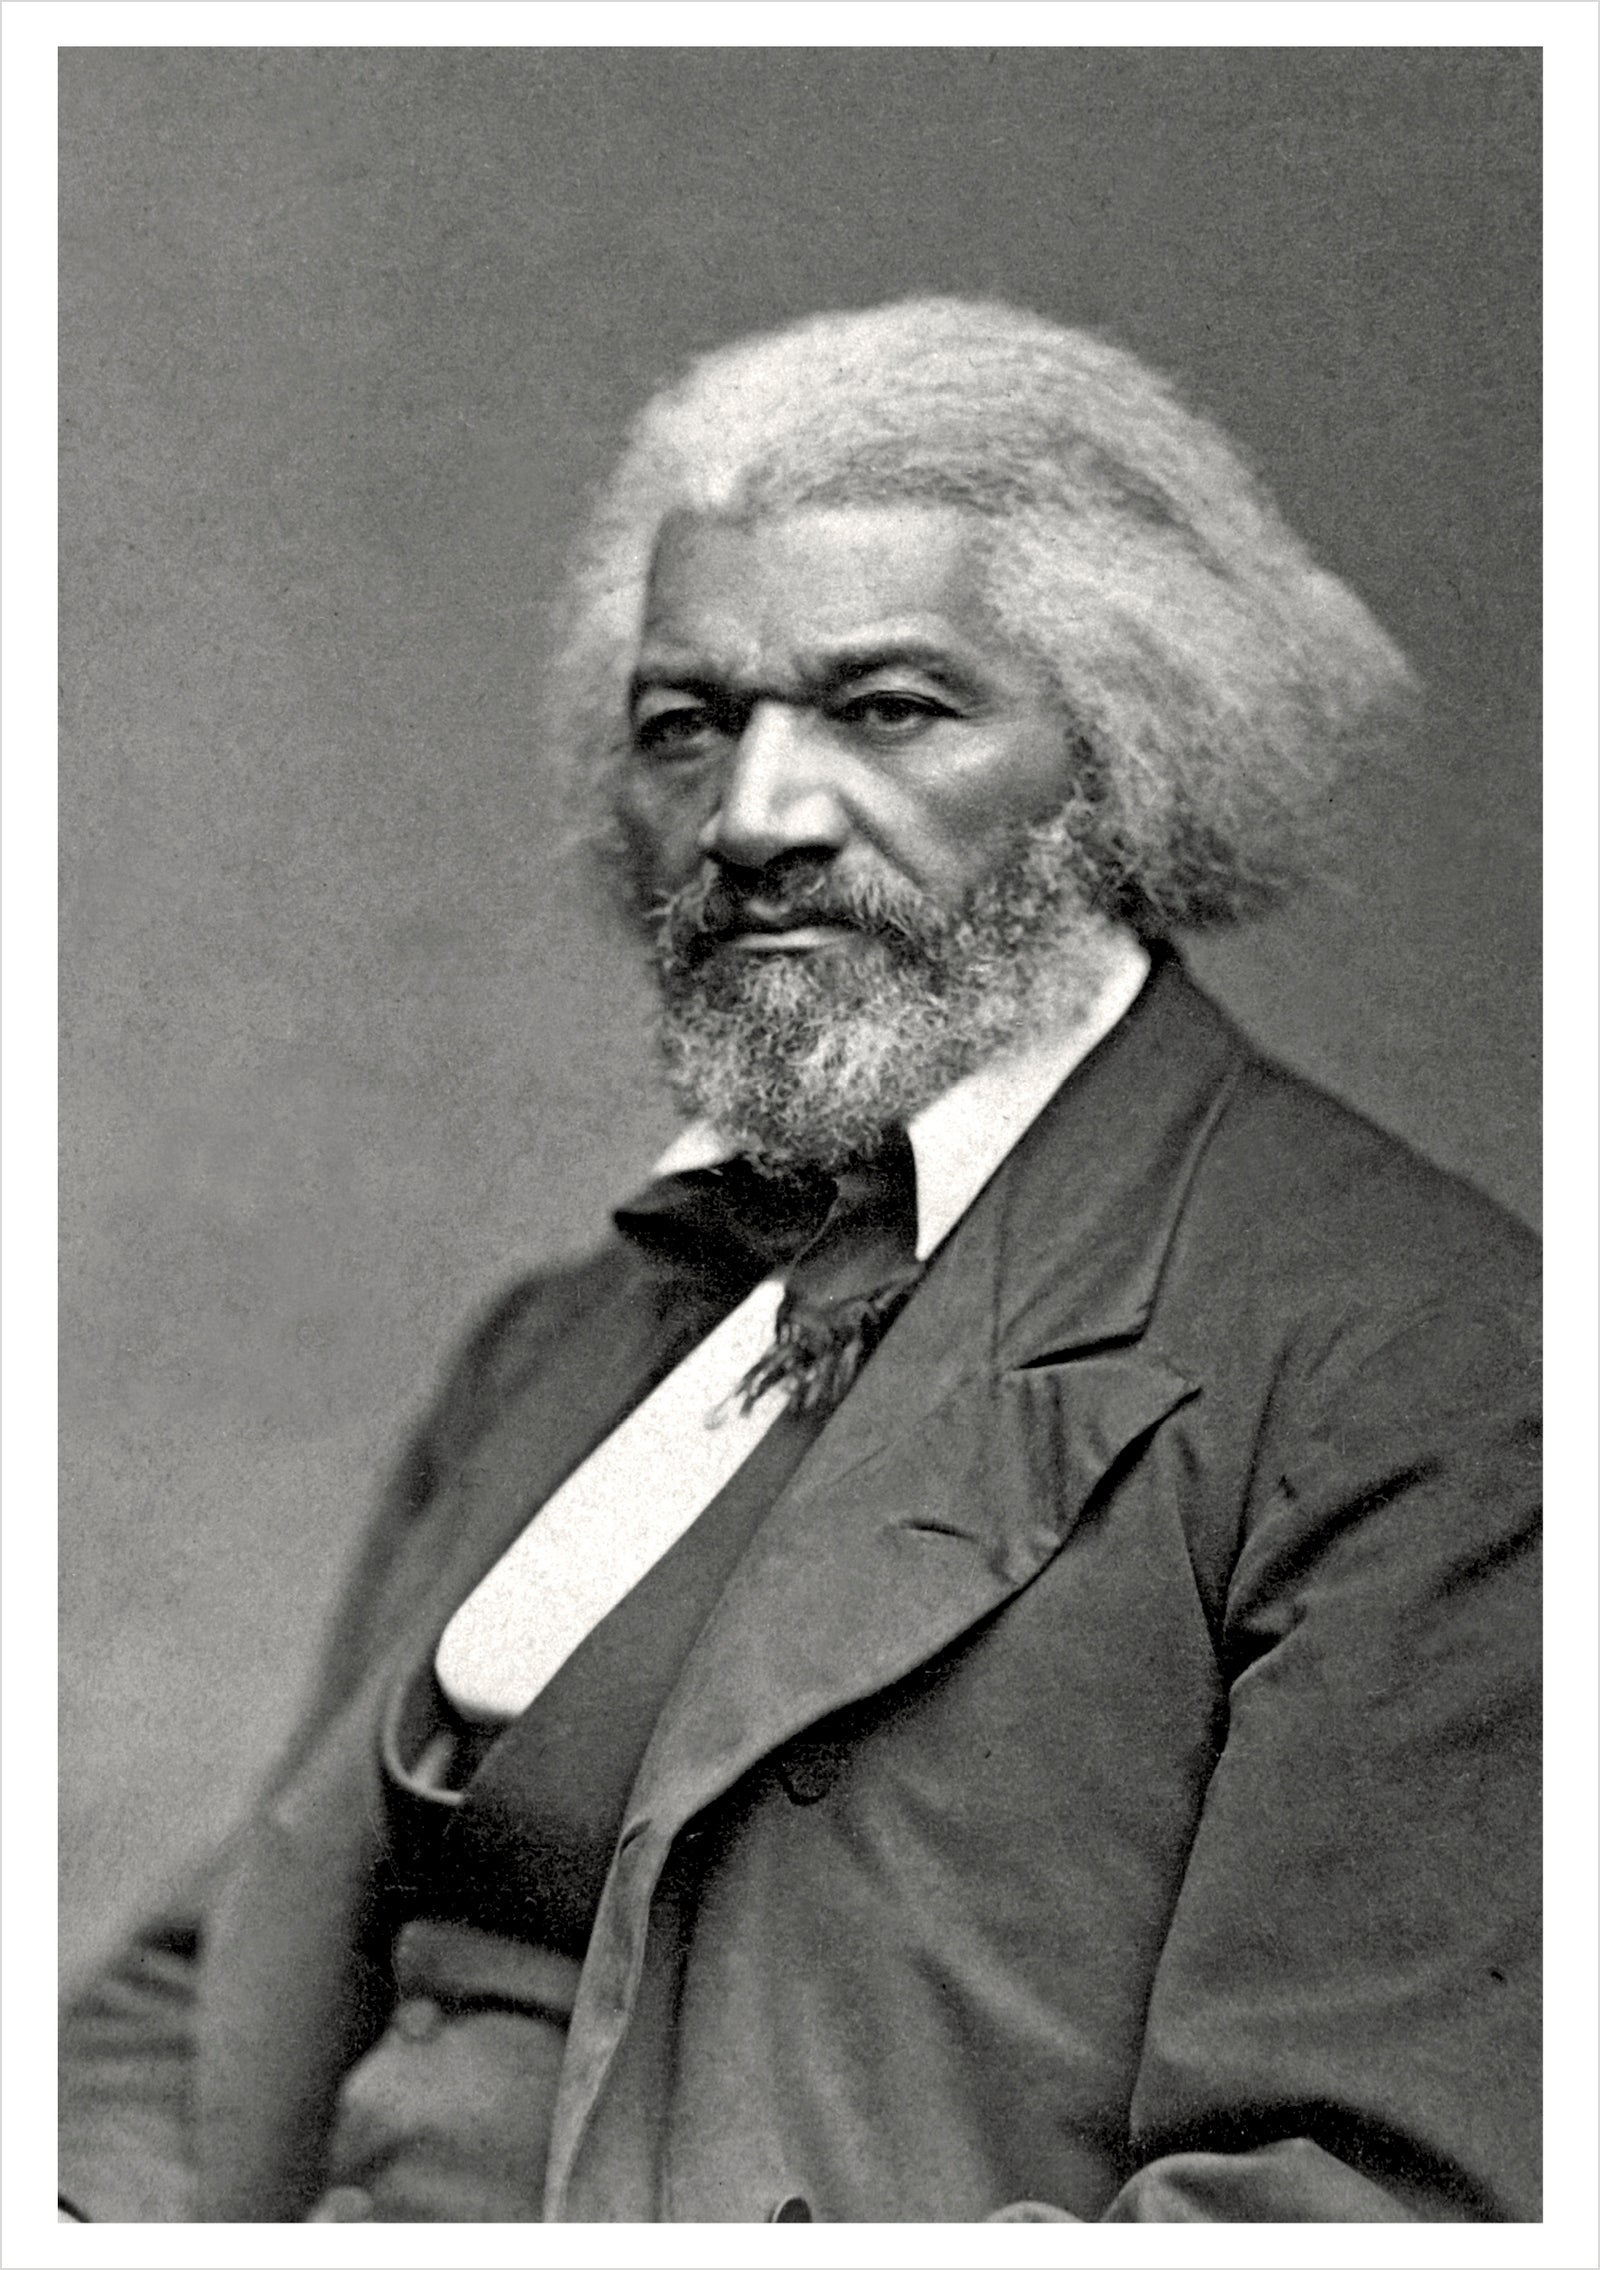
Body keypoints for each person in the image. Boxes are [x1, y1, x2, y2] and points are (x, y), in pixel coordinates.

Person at [59, 298, 1539, 2224]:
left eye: (887, 708)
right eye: (687, 725)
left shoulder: (1416, 1364)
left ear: (1123, 758)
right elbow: (219, 1987)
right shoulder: (560, 1341)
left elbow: (1351, 2201)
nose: (755, 815)